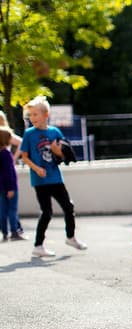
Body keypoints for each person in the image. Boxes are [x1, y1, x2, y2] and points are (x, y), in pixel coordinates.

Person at [19, 96, 87, 257]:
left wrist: (58, 152)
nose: (32, 118)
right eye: (31, 115)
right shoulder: (29, 134)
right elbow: (24, 156)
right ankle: (38, 246)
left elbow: (65, 156)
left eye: (35, 114)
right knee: (46, 212)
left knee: (68, 207)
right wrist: (36, 169)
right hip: (40, 180)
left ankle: (71, 237)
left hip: (56, 178)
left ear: (45, 115)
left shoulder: (55, 132)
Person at [0, 127, 25, 241]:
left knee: (2, 209)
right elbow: (9, 172)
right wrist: (10, 188)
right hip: (9, 187)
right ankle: (14, 231)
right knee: (12, 209)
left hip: (1, 187)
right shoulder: (6, 154)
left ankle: (4, 232)